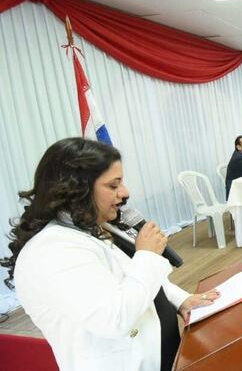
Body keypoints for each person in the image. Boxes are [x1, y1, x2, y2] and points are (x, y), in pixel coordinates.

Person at [9, 138, 220, 371]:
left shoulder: (93, 226)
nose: (125, 192)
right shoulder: (52, 251)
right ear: (76, 189)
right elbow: (114, 318)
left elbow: (137, 279)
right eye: (113, 185)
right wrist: (147, 255)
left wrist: (181, 299)